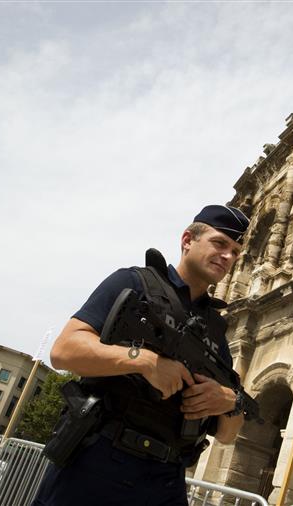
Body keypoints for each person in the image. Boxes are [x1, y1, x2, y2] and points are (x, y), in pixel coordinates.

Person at [33, 205, 250, 506]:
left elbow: (227, 435)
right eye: (220, 243)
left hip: (165, 479)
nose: (228, 256)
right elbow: (64, 351)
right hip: (98, 461)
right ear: (188, 239)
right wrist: (144, 361)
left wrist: (229, 402)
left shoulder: (216, 329)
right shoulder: (135, 282)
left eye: (236, 252)